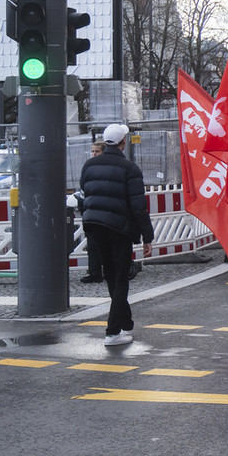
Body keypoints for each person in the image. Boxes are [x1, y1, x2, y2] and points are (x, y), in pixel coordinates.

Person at [79, 124, 153, 346]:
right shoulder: (130, 168)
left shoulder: (89, 165)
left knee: (111, 275)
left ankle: (124, 320)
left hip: (94, 224)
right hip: (119, 227)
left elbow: (86, 189)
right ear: (123, 142)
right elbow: (138, 207)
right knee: (121, 278)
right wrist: (147, 236)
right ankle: (112, 332)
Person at [79, 141, 108, 284]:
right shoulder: (88, 165)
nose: (94, 154)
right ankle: (95, 271)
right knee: (92, 243)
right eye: (93, 151)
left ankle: (106, 271)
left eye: (97, 151)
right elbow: (82, 183)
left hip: (102, 208)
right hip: (92, 207)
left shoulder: (105, 166)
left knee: (106, 243)